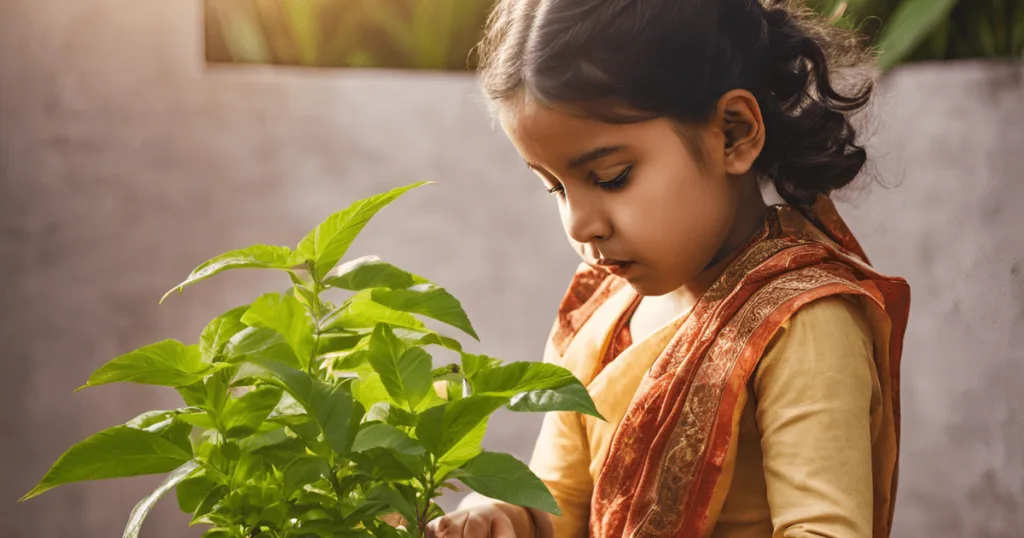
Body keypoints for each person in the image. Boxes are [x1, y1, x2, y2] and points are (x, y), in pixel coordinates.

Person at [427, 0, 911, 536]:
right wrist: (502, 516)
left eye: (611, 177)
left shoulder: (803, 323)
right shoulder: (601, 310)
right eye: (556, 187)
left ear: (733, 132)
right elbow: (559, 499)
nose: (580, 223)